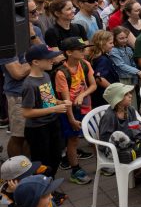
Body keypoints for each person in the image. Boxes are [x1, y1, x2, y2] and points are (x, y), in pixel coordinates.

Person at [53, 37, 96, 185]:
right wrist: (71, 119)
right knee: (73, 140)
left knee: (93, 132)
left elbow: (93, 85)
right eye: (80, 49)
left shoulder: (85, 64)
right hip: (69, 110)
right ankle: (75, 170)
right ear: (69, 52)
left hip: (84, 105)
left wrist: (83, 94)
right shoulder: (61, 73)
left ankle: (104, 163)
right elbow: (66, 101)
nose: (84, 51)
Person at [21, 45, 69, 178]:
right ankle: (43, 191)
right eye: (48, 59)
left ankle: (48, 189)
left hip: (52, 123)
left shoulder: (46, 76)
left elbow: (48, 100)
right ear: (35, 62)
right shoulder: (29, 85)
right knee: (43, 162)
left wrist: (60, 103)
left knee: (55, 157)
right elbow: (27, 113)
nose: (52, 61)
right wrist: (55, 108)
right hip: (38, 129)